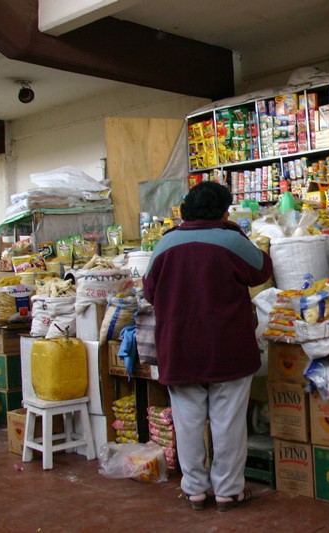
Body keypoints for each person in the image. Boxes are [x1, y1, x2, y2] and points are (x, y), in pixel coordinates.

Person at [143, 181, 273, 512]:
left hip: (179, 347)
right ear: (223, 210)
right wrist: (233, 231)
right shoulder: (231, 239)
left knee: (187, 422)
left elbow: (148, 289)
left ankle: (195, 490)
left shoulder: (165, 243)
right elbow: (262, 270)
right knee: (228, 421)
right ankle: (229, 491)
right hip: (227, 347)